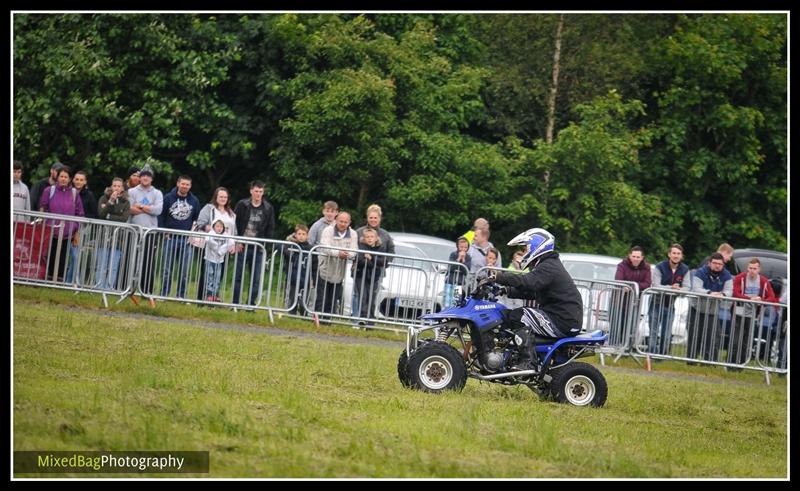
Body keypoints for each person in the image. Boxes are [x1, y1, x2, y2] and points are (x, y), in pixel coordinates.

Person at [491, 228, 584, 371]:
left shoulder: (549, 266)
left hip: (562, 320)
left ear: (537, 245)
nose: (523, 252)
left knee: (518, 316)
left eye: (525, 248)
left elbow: (528, 281)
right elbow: (533, 291)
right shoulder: (548, 264)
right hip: (561, 317)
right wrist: (505, 290)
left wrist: (499, 276)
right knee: (508, 314)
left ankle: (529, 362)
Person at [232, 180, 276, 307]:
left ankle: (250, 304)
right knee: (238, 275)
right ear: (251, 191)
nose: (258, 194)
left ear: (263, 193)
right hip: (242, 245)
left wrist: (265, 247)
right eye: (256, 191)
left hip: (258, 247)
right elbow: (235, 223)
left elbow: (270, 228)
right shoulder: (242, 204)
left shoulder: (268, 208)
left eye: (260, 192)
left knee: (256, 278)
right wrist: (237, 241)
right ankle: (235, 303)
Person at [38, 166, 84, 282]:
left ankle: (58, 283)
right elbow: (43, 208)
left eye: (66, 177)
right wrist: (42, 225)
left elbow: (80, 214)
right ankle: (45, 281)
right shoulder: (49, 190)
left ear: (70, 179)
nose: (63, 179)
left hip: (67, 234)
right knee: (48, 257)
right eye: (61, 176)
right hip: (50, 232)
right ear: (57, 177)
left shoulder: (74, 193)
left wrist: (76, 231)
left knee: (63, 259)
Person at [730, 258, 778, 368]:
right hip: (738, 312)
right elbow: (735, 293)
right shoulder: (740, 277)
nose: (752, 271)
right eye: (750, 268)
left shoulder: (763, 281)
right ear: (747, 268)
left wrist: (761, 300)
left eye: (755, 268)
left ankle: (741, 365)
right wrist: (749, 298)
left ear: (759, 269)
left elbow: (771, 297)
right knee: (736, 340)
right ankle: (731, 364)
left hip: (753, 314)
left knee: (746, 341)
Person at [158, 175, 200, 299]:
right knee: (166, 269)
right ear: (178, 183)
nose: (185, 186)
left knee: (185, 271)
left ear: (190, 186)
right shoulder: (167, 198)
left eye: (187, 184)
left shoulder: (194, 200)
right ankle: (164, 295)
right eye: (183, 184)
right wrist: (163, 232)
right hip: (170, 238)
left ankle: (181, 296)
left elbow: (197, 220)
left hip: (186, 240)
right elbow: (161, 216)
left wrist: (192, 234)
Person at [127, 163, 164, 307]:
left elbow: (158, 210)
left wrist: (141, 207)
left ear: (152, 178)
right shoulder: (132, 192)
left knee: (148, 262)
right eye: (143, 175)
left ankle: (146, 292)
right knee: (132, 260)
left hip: (150, 232)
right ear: (140, 177)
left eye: (148, 176)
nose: (145, 178)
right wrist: (148, 208)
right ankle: (129, 289)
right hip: (134, 231)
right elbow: (130, 209)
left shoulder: (157, 193)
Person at [687, 252, 733, 363]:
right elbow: (696, 288)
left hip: (713, 311)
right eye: (715, 263)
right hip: (697, 308)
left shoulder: (726, 275)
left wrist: (723, 295)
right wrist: (710, 293)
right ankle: (690, 361)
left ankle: (709, 362)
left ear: (723, 265)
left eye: (720, 264)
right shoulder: (701, 272)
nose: (717, 266)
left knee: (712, 337)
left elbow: (729, 291)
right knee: (694, 336)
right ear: (709, 263)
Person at [193, 187, 237, 302]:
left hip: (224, 247)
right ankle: (202, 297)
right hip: (209, 245)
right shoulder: (209, 208)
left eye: (225, 197)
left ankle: (215, 295)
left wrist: (233, 244)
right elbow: (200, 222)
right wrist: (214, 232)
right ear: (216, 197)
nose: (223, 199)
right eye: (221, 196)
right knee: (207, 272)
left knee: (219, 273)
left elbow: (234, 230)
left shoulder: (230, 213)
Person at [352, 204, 394, 318]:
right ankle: (356, 320)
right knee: (358, 295)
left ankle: (369, 320)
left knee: (372, 296)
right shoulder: (359, 232)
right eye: (371, 217)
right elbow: (353, 250)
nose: (373, 220)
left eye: (375, 217)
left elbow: (391, 252)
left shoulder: (385, 235)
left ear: (380, 218)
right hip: (360, 270)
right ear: (367, 218)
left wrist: (383, 263)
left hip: (377, 271)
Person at [648, 243, 691, 355]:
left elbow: (687, 288)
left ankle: (661, 355)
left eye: (678, 254)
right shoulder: (660, 266)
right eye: (674, 253)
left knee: (666, 333)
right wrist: (671, 288)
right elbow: (656, 286)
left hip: (670, 305)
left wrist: (677, 290)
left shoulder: (685, 269)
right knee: (653, 331)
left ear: (682, 256)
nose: (676, 256)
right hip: (656, 303)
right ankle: (650, 354)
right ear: (669, 254)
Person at [315, 211, 358, 316]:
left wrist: (347, 254)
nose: (343, 224)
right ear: (336, 220)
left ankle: (328, 320)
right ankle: (317, 320)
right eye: (341, 221)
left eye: (345, 222)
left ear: (349, 223)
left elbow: (354, 251)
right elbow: (324, 247)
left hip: (339, 272)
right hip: (324, 268)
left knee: (333, 298)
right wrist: (338, 253)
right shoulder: (328, 230)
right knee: (322, 297)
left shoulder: (353, 234)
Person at [95, 177, 131, 290]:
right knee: (102, 265)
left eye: (119, 186)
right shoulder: (104, 198)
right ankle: (99, 287)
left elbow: (124, 218)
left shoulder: (126, 202)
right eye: (114, 185)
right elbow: (101, 214)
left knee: (113, 266)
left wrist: (109, 216)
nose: (116, 188)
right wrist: (110, 202)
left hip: (118, 238)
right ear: (111, 187)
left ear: (122, 188)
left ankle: (109, 288)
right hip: (103, 236)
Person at [64, 170, 98, 284]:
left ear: (85, 182)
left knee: (75, 256)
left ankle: (70, 282)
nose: (78, 182)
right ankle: (63, 281)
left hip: (81, 230)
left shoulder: (89, 195)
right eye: (77, 179)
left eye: (81, 180)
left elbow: (94, 214)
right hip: (65, 228)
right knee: (64, 255)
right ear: (73, 180)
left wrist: (79, 216)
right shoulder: (67, 192)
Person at [352, 226, 388, 323]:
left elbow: (384, 262)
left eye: (372, 237)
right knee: (362, 296)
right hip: (360, 275)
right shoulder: (360, 247)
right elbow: (359, 261)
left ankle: (371, 321)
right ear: (364, 238)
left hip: (374, 277)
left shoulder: (380, 248)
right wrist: (373, 263)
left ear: (376, 238)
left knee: (371, 298)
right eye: (367, 237)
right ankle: (363, 318)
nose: (370, 239)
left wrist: (371, 257)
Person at [282, 223, 316, 315]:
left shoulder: (311, 249)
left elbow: (314, 265)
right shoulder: (290, 245)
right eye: (299, 234)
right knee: (292, 298)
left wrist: (314, 279)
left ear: (307, 235)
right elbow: (284, 251)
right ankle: (291, 314)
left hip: (306, 279)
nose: (301, 236)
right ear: (295, 235)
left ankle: (303, 315)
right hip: (292, 278)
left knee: (304, 300)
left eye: (303, 234)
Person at [203, 219, 235, 302]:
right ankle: (209, 295)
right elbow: (207, 240)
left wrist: (221, 250)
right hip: (209, 259)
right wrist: (216, 246)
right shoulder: (211, 233)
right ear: (213, 227)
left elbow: (231, 242)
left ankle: (215, 295)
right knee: (209, 277)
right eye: (217, 226)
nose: (219, 228)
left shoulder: (225, 235)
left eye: (221, 226)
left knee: (217, 278)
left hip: (219, 260)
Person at [444, 236, 471, 308]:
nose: (463, 249)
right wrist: (459, 259)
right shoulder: (453, 254)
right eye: (461, 247)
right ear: (457, 246)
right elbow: (451, 267)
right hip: (450, 282)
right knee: (447, 302)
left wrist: (464, 261)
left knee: (456, 303)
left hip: (459, 284)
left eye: (465, 247)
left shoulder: (468, 257)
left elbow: (466, 270)